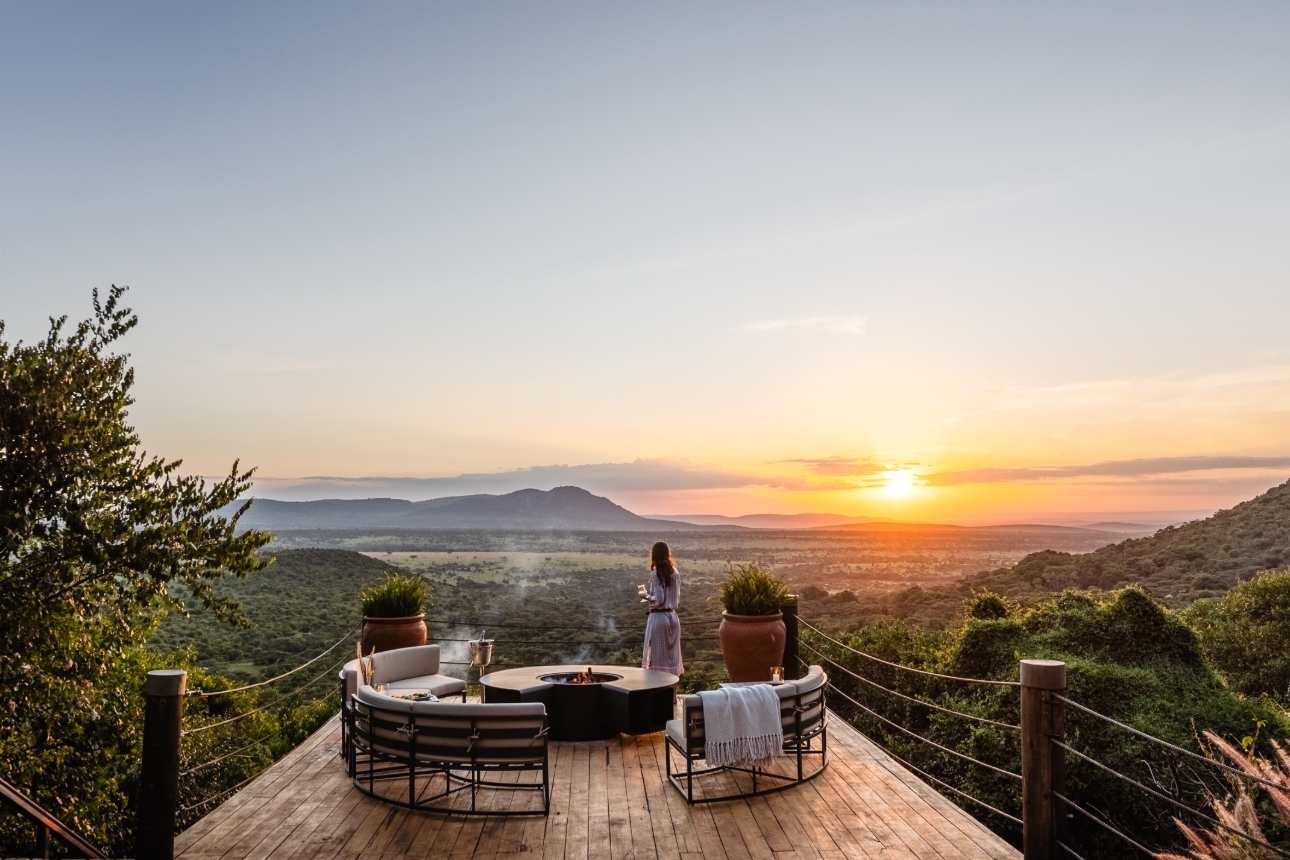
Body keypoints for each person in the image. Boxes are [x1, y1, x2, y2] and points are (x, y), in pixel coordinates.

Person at [641, 541, 683, 676]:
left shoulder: (655, 573)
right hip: (673, 618)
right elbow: (675, 597)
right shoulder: (675, 572)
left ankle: (657, 692)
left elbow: (659, 600)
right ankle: (672, 693)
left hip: (659, 618)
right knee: (671, 659)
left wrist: (646, 595)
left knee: (657, 661)